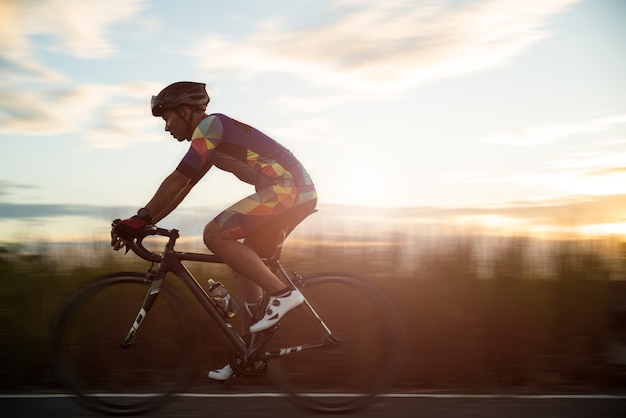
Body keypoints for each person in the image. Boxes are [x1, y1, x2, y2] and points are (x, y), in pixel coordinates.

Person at [110, 81, 317, 381]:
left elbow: (178, 177)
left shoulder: (210, 126)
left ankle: (283, 294)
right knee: (244, 267)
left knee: (215, 235)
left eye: (167, 118)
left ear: (184, 111)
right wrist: (146, 220)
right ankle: (248, 353)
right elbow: (183, 186)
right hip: (292, 191)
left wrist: (141, 218)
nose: (167, 127)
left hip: (288, 189)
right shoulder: (209, 139)